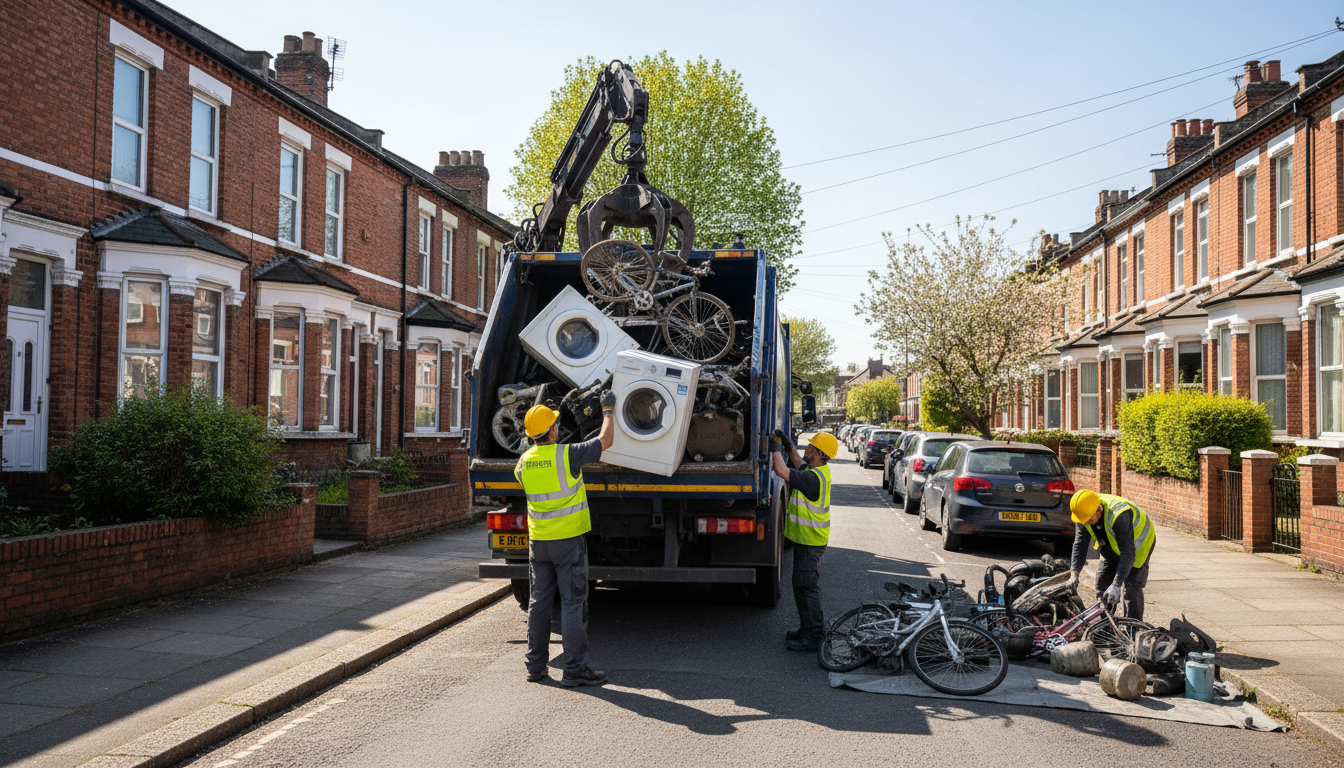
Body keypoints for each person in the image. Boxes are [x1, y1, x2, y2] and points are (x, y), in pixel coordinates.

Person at [514, 393, 615, 687]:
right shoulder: (566, 455)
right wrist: (607, 410)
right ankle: (574, 669)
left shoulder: (522, 463)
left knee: (539, 602)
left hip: (539, 543)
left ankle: (535, 667)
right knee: (572, 604)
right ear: (553, 430)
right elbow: (605, 441)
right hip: (568, 542)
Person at [771, 428, 839, 652]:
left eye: (811, 447)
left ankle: (813, 635)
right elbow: (799, 463)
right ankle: (806, 629)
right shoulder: (817, 470)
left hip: (811, 541)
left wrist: (773, 448)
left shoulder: (812, 479)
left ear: (819, 454)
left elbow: (782, 471)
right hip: (807, 539)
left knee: (807, 587)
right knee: (800, 585)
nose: (807, 449)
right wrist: (788, 445)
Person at [1065, 489, 1157, 620]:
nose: (1085, 523)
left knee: (1131, 586)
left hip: (1139, 545)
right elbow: (1080, 544)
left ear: (1099, 509)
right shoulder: (1084, 513)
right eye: (1083, 520)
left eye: (1088, 519)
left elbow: (1128, 552)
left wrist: (1117, 584)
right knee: (1102, 581)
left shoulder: (1119, 514)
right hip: (1113, 544)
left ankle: (1133, 627)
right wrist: (1074, 574)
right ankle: (1106, 622)